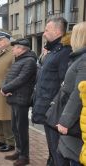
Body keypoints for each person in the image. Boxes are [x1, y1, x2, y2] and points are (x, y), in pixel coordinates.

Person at [31, 17, 72, 166]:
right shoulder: (53, 51)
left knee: (58, 152)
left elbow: (65, 85)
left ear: (56, 30)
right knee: (52, 150)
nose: (44, 33)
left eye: (47, 29)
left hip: (54, 111)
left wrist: (54, 106)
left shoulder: (64, 52)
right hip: (46, 108)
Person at [1, 38, 37, 166]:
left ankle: (24, 156)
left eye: (15, 47)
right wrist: (3, 88)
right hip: (14, 98)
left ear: (22, 49)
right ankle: (19, 151)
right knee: (15, 127)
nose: (13, 49)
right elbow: (9, 76)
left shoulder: (29, 61)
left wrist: (5, 88)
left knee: (21, 129)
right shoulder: (19, 60)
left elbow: (21, 79)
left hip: (22, 99)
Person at [55, 21, 86, 166]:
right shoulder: (79, 58)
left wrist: (65, 121)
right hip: (76, 121)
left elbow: (79, 92)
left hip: (76, 124)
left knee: (74, 157)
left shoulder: (84, 60)